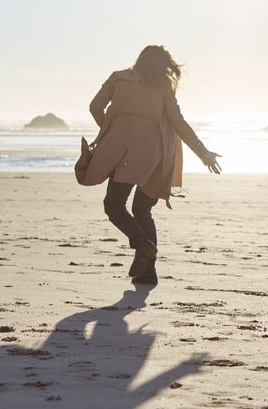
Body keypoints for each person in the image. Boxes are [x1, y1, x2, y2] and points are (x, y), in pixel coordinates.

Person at [79, 45, 221, 285]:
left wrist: (110, 130)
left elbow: (95, 107)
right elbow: (178, 123)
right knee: (142, 210)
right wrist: (203, 153)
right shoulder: (163, 87)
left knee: (113, 205)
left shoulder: (118, 78)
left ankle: (142, 244)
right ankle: (148, 272)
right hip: (155, 156)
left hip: (123, 154)